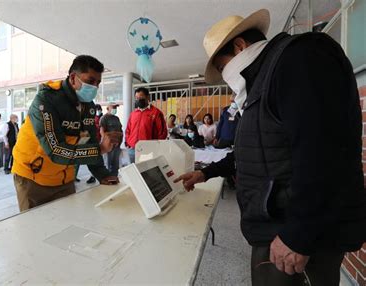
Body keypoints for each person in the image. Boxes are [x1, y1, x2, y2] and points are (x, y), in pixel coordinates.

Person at [175, 9, 366, 286]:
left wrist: (298, 234)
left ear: (240, 46)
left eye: (221, 66)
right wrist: (205, 173)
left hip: (300, 235)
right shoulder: (261, 85)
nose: (224, 76)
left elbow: (324, 152)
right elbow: (254, 150)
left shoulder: (299, 58)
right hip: (279, 226)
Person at [12, 55, 121, 211]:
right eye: (90, 81)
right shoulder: (45, 100)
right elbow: (55, 150)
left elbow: (89, 142)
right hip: (33, 178)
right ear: (72, 78)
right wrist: (101, 149)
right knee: (36, 231)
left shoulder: (88, 107)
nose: (95, 87)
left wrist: (102, 174)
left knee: (67, 226)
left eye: (98, 83)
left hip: (65, 178)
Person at [125, 87, 168, 163]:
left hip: (148, 150)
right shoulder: (133, 114)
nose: (138, 99)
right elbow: (128, 129)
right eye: (137, 97)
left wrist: (154, 146)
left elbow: (162, 132)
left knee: (145, 171)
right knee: (133, 172)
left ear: (147, 97)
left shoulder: (156, 113)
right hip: (132, 149)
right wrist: (128, 142)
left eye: (141, 97)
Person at [100, 102, 123, 176]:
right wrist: (107, 144)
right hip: (108, 145)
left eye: (115, 108)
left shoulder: (116, 118)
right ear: (107, 109)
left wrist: (119, 141)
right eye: (113, 108)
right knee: (107, 163)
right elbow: (102, 132)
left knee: (116, 164)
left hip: (117, 145)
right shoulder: (104, 118)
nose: (115, 109)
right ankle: (107, 178)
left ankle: (114, 178)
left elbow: (120, 130)